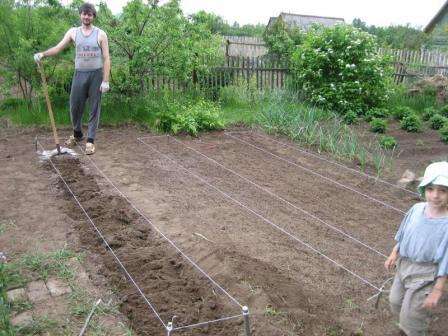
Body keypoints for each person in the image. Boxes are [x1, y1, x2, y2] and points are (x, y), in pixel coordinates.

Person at [34, 2, 110, 155]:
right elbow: (58, 47)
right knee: (75, 107)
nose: (86, 16)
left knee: (94, 108)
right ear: (80, 15)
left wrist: (105, 80)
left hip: (96, 75)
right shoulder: (73, 32)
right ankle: (77, 134)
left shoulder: (100, 34)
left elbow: (107, 57)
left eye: (89, 14)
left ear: (93, 16)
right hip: (79, 74)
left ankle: (90, 141)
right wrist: (43, 54)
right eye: (84, 14)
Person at [385, 161, 448, 336]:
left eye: (443, 190)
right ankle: (408, 325)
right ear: (424, 190)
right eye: (430, 189)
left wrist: (437, 290)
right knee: (395, 301)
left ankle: (414, 329)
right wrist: (393, 253)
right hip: (404, 265)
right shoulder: (416, 209)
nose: (435, 195)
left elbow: (446, 260)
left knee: (412, 314)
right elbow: (404, 233)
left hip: (425, 273)